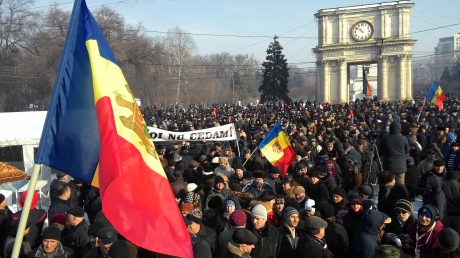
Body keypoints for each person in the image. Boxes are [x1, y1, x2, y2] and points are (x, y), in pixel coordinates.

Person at [443, 170, 460, 236]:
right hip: (458, 214)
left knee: (447, 233)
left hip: (447, 212)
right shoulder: (459, 185)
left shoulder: (443, 184)